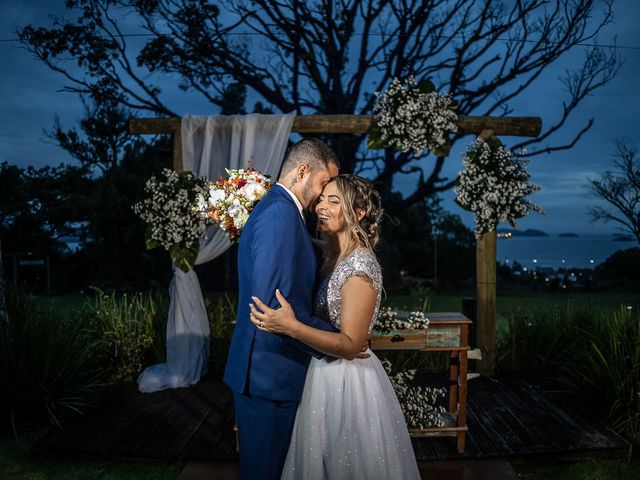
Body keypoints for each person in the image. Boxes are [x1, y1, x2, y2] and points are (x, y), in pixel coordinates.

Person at [250, 175, 421, 480]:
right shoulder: (332, 256)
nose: (321, 207)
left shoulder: (360, 267)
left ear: (358, 213)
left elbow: (352, 345)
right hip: (322, 374)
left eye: (334, 201)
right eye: (321, 199)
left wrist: (291, 327)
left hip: (348, 382)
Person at [223, 138, 340, 480]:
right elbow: (272, 306)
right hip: (269, 374)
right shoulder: (279, 214)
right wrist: (338, 341)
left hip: (270, 372)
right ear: (302, 171)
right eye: (322, 184)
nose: (322, 196)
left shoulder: (283, 211)